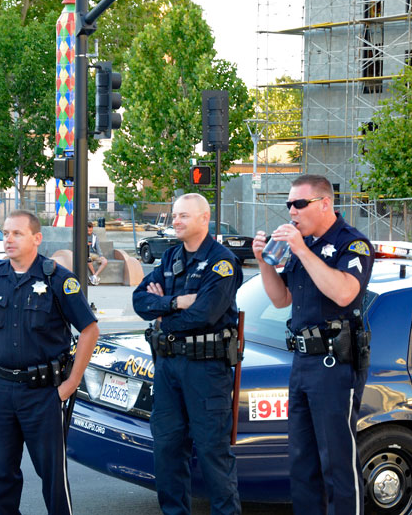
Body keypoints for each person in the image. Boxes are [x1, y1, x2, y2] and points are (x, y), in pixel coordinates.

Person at [0, 210, 99, 515]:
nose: (8, 239)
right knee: (0, 479)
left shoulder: (58, 279)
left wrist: (71, 384)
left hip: (44, 394)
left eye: (17, 233)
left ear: (36, 238)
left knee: (53, 479)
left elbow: (90, 331)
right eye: (6, 233)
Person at [252, 174, 374, 515]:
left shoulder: (351, 243)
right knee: (302, 462)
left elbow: (345, 292)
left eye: (299, 204)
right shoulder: (302, 246)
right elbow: (281, 299)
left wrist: (302, 250)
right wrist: (264, 262)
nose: (292, 211)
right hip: (303, 361)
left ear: (324, 204)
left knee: (336, 459)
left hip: (335, 362)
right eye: (288, 204)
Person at [133, 193, 243, 515]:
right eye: (175, 215)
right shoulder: (170, 259)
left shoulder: (222, 262)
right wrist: (175, 303)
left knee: (213, 455)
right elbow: (140, 300)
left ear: (204, 219)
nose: (176, 221)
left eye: (183, 216)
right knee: (167, 450)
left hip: (206, 370)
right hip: (168, 366)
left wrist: (162, 313)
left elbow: (205, 314)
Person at [87, 221, 107, 285]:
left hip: (94, 254)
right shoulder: (82, 236)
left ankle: (95, 276)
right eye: (88, 229)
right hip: (86, 254)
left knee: (105, 261)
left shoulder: (94, 236)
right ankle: (93, 275)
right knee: (88, 259)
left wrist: (101, 255)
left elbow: (97, 247)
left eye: (90, 229)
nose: (89, 231)